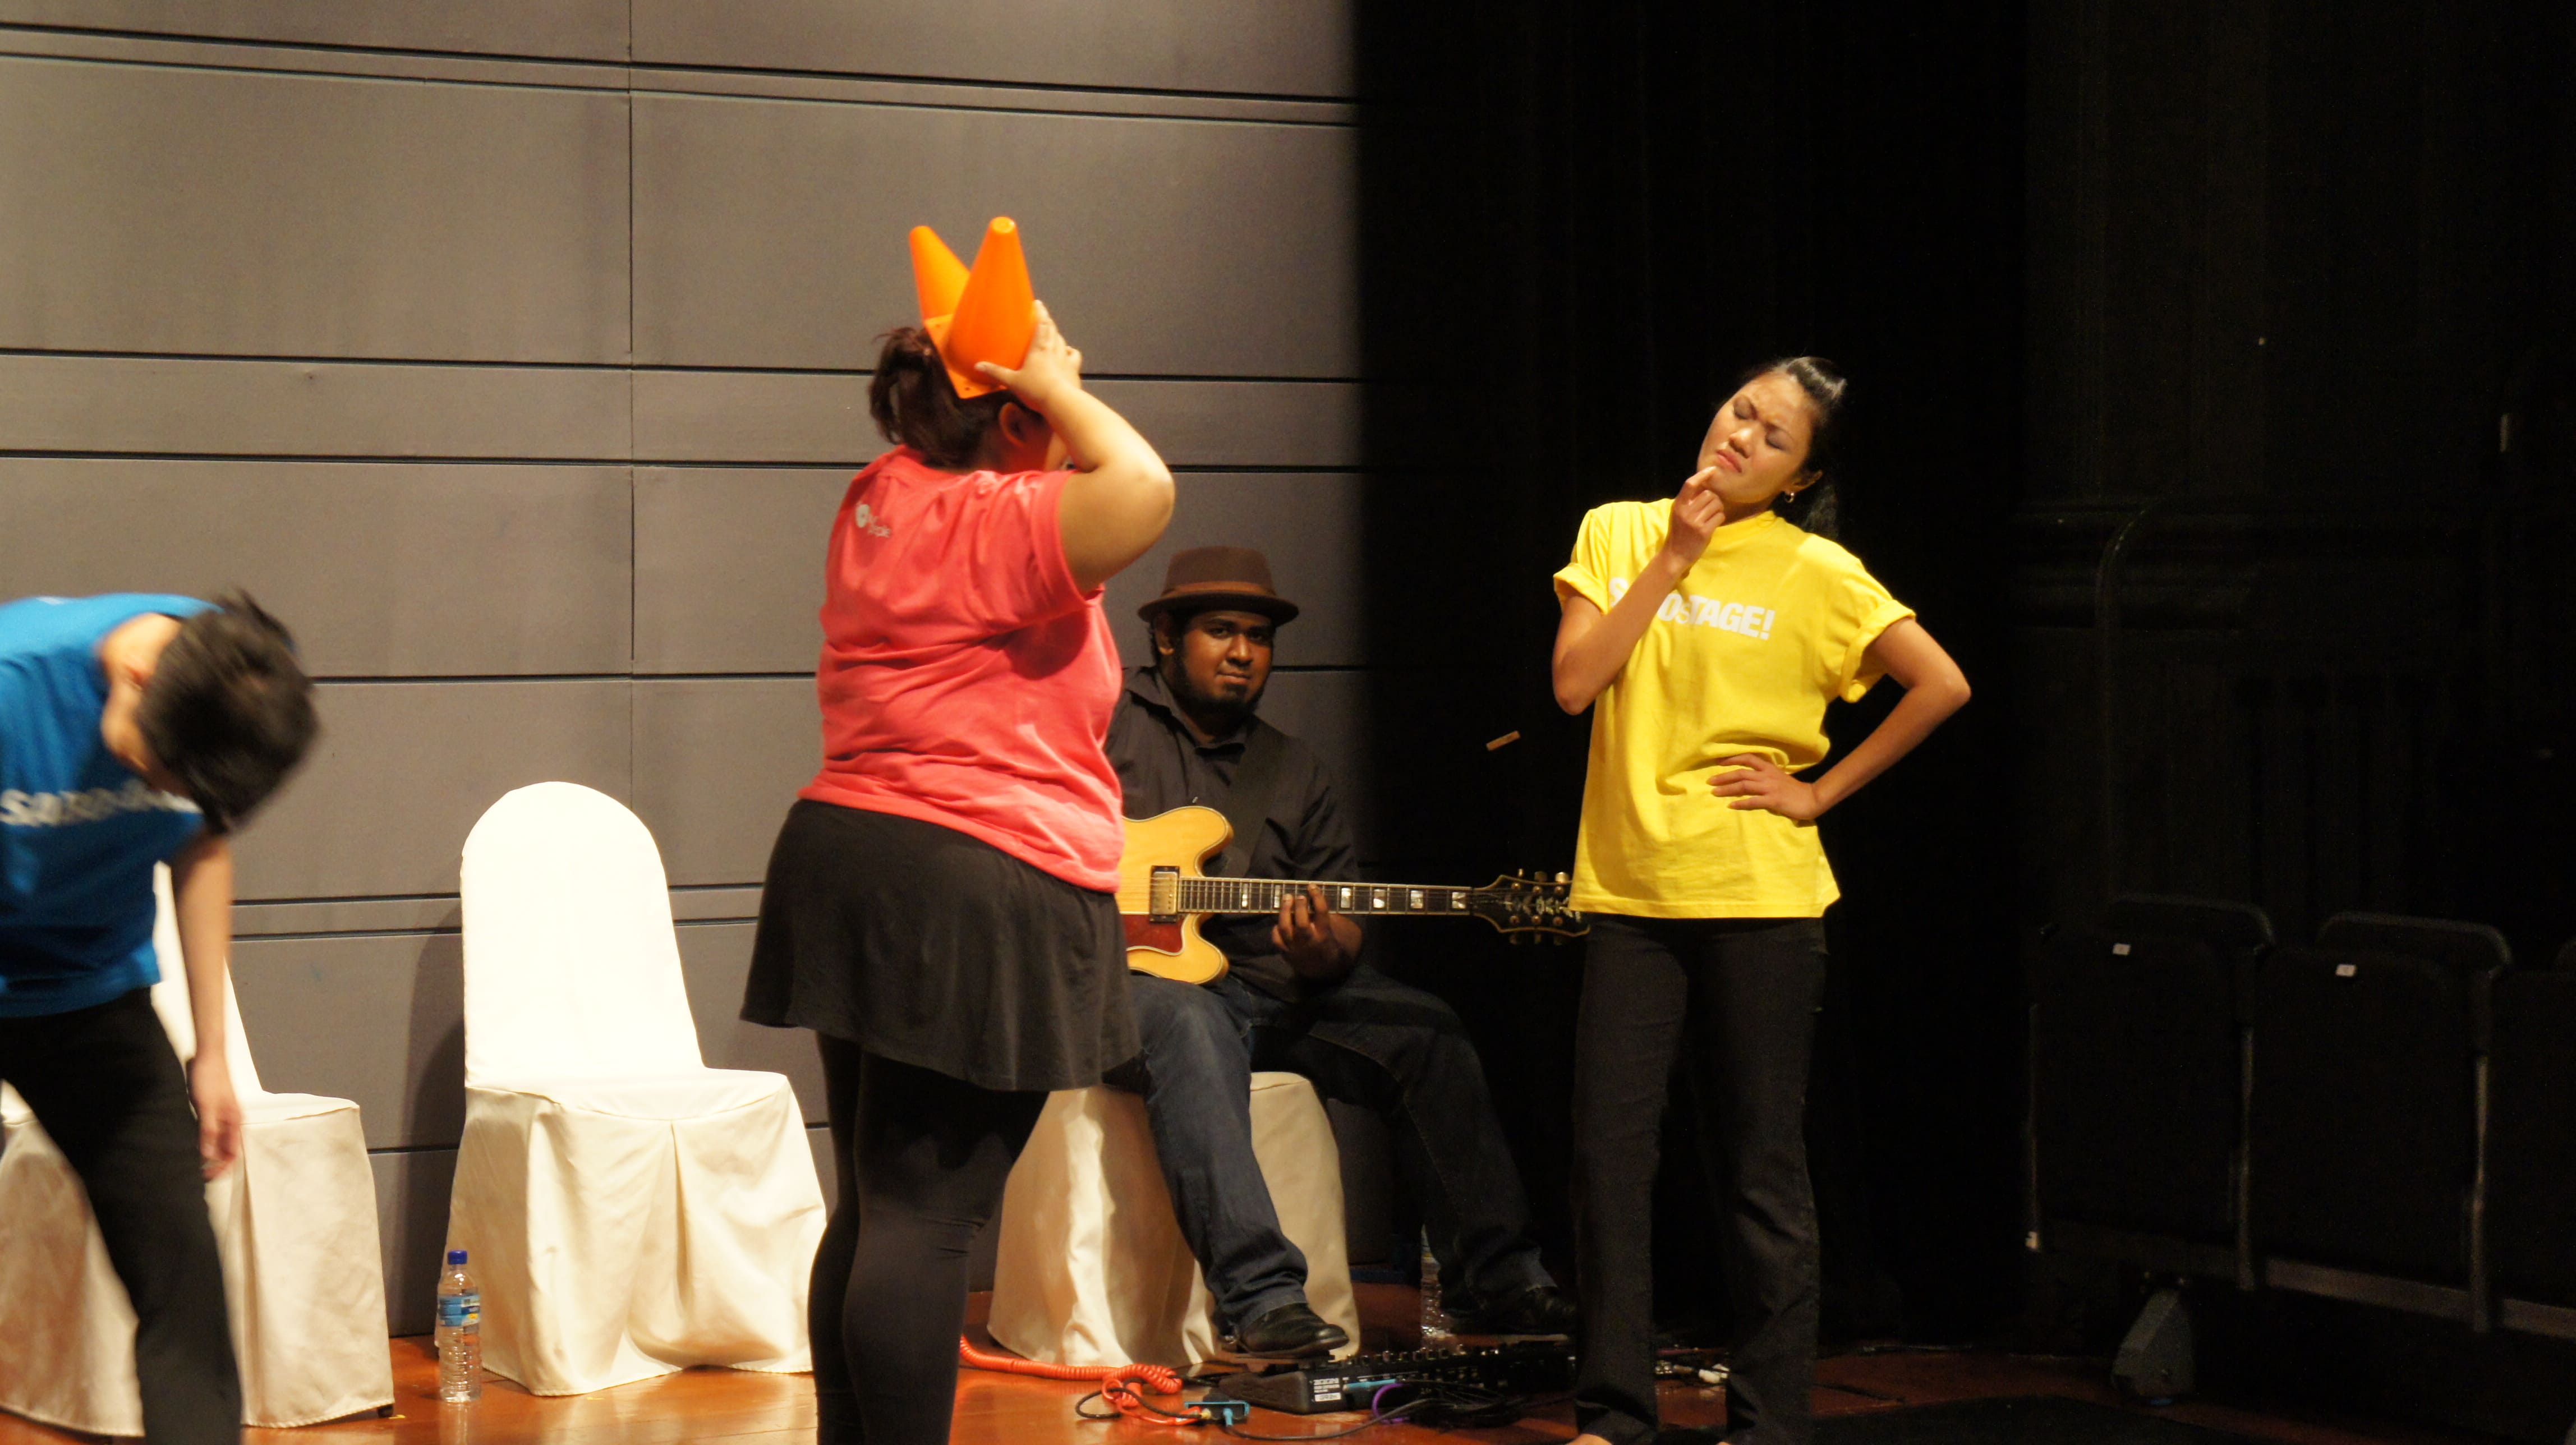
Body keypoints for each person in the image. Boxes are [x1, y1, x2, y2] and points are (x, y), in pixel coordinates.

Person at [739, 294, 1175, 1444]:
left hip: (855, 854)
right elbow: (1144, 487)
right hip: (973, 878)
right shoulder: (1001, 519)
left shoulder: (882, 496)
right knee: (926, 1220)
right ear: (1016, 415)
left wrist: (1038, 388)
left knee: (881, 1205)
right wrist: (1061, 386)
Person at [1550, 359, 1971, 1445]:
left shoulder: (1820, 570)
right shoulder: (1619, 529)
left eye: (1774, 437)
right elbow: (1574, 682)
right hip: (1634, 890)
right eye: (1741, 408)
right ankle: (1613, 1412)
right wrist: (1677, 554)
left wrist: (1820, 789)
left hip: (1759, 895)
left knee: (1759, 1167)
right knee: (1608, 1158)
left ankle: (1772, 1421)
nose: (1742, 435)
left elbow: (1942, 682)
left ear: (1799, 475)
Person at [1108, 546, 1580, 1360]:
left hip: (1266, 993)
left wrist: (1323, 948)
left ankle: (1496, 1282)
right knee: (1190, 1020)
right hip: (1129, 992)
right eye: (1221, 631)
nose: (1243, 652)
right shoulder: (1101, 729)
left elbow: (1343, 926)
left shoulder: (1294, 771)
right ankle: (1261, 1301)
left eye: (1258, 637)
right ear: (1165, 640)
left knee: (1426, 1032)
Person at [0, 591, 319, 1445]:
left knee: (182, 1272)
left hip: (90, 996)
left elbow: (201, 846)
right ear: (136, 679)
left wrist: (210, 1050)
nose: (162, 795)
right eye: (160, 776)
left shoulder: (225, 688)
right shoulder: (12, 682)